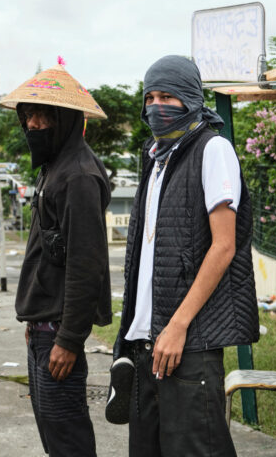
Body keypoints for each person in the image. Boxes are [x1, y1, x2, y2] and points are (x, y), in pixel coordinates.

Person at [110, 55, 259, 456]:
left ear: (191, 98)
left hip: (189, 345)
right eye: (151, 97)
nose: (157, 106)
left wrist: (178, 325)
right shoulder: (157, 158)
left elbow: (224, 245)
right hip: (146, 345)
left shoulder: (213, 150)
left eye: (168, 96)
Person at [0, 60, 113, 457]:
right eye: (29, 116)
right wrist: (36, 320)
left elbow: (88, 264)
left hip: (58, 337)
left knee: (68, 439)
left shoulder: (78, 176)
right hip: (43, 329)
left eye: (44, 117)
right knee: (53, 434)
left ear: (65, 121)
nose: (33, 125)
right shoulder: (55, 168)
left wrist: (68, 338)